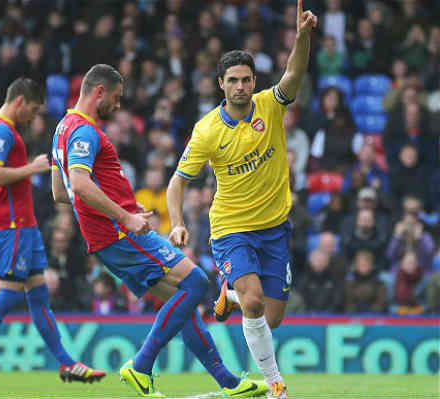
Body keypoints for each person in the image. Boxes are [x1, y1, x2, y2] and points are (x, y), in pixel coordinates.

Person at [51, 64, 266, 398]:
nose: (119, 106)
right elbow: (78, 185)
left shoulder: (62, 128)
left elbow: (60, 191)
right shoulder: (84, 131)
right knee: (195, 282)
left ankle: (229, 383)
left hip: (107, 235)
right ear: (99, 92)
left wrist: (121, 206)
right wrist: (124, 216)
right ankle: (140, 366)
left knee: (183, 302)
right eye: (117, 98)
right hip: (119, 234)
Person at [167, 2, 318, 398]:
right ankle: (275, 384)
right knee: (254, 304)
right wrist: (177, 222)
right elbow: (176, 182)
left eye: (246, 79)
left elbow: (294, 73)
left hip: (275, 227)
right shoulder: (206, 131)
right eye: (233, 80)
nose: (240, 86)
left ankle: (229, 294)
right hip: (232, 228)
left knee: (272, 317)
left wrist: (302, 39)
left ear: (254, 81)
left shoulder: (269, 104)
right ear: (220, 83)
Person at [0, 77, 105, 388]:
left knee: (39, 298)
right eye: (32, 110)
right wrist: (31, 169)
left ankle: (67, 363)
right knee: (8, 296)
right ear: (19, 101)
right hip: (13, 225)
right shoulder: (2, 131)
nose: (33, 117)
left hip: (25, 226)